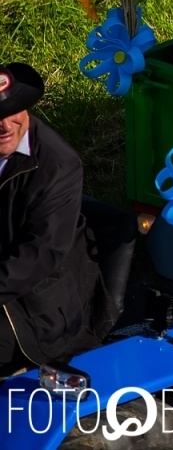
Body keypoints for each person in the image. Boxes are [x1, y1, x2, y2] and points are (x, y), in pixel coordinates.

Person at [0, 63, 100, 374]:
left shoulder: (58, 165)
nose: (5, 125)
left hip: (33, 312)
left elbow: (39, 255)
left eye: (14, 110)